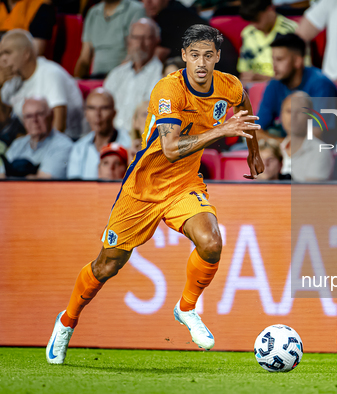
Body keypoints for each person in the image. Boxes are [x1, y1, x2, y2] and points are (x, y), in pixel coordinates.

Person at [45, 24, 264, 365]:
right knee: (107, 265)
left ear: (218, 57)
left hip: (184, 185)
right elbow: (172, 148)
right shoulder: (168, 90)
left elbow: (244, 104)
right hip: (143, 189)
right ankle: (66, 321)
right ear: (184, 57)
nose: (202, 63)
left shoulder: (229, 85)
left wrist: (254, 150)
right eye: (195, 56)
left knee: (212, 242)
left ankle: (186, 308)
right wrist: (223, 130)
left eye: (208, 55)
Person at [0, 30, 84, 140]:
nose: (3, 59)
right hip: (33, 139)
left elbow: (59, 127)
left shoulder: (50, 73)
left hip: (69, 140)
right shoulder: (13, 80)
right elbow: (2, 121)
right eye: (1, 54)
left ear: (26, 54)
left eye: (8, 53)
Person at [257, 33, 337, 139]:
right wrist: (283, 146)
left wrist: (283, 147)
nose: (274, 66)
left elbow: (317, 134)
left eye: (280, 59)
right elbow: (256, 130)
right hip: (287, 143)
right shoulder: (274, 83)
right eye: (273, 59)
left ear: (297, 61)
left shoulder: (321, 85)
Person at [103, 18, 163, 134]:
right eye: (135, 38)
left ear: (156, 40)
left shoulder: (163, 75)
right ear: (128, 41)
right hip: (110, 138)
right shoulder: (116, 74)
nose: (140, 44)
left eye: (146, 38)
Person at [0, 97, 72, 179]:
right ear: (24, 121)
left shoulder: (63, 145)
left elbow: (44, 182)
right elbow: (1, 175)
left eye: (40, 114)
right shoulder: (18, 144)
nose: (34, 120)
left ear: (51, 115)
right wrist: (32, 176)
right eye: (29, 116)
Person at [67, 89, 131, 180]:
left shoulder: (129, 144)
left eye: (104, 108)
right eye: (92, 108)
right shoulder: (78, 149)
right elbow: (74, 187)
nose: (97, 114)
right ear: (85, 114)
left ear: (114, 113)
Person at [74, 0, 146, 79]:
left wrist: (113, 79)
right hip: (96, 77)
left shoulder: (135, 9)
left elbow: (133, 54)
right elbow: (84, 57)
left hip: (122, 77)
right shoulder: (93, 12)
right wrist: (77, 81)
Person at [238, 0, 297, 83]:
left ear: (270, 9)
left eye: (257, 20)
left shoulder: (292, 31)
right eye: (251, 21)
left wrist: (264, 78)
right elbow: (243, 71)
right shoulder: (247, 33)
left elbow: (298, 75)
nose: (254, 26)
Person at [280, 91, 332, 181]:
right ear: (281, 115)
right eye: (289, 111)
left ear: (310, 116)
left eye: (299, 112)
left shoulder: (320, 152)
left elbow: (312, 193)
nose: (293, 117)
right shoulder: (276, 149)